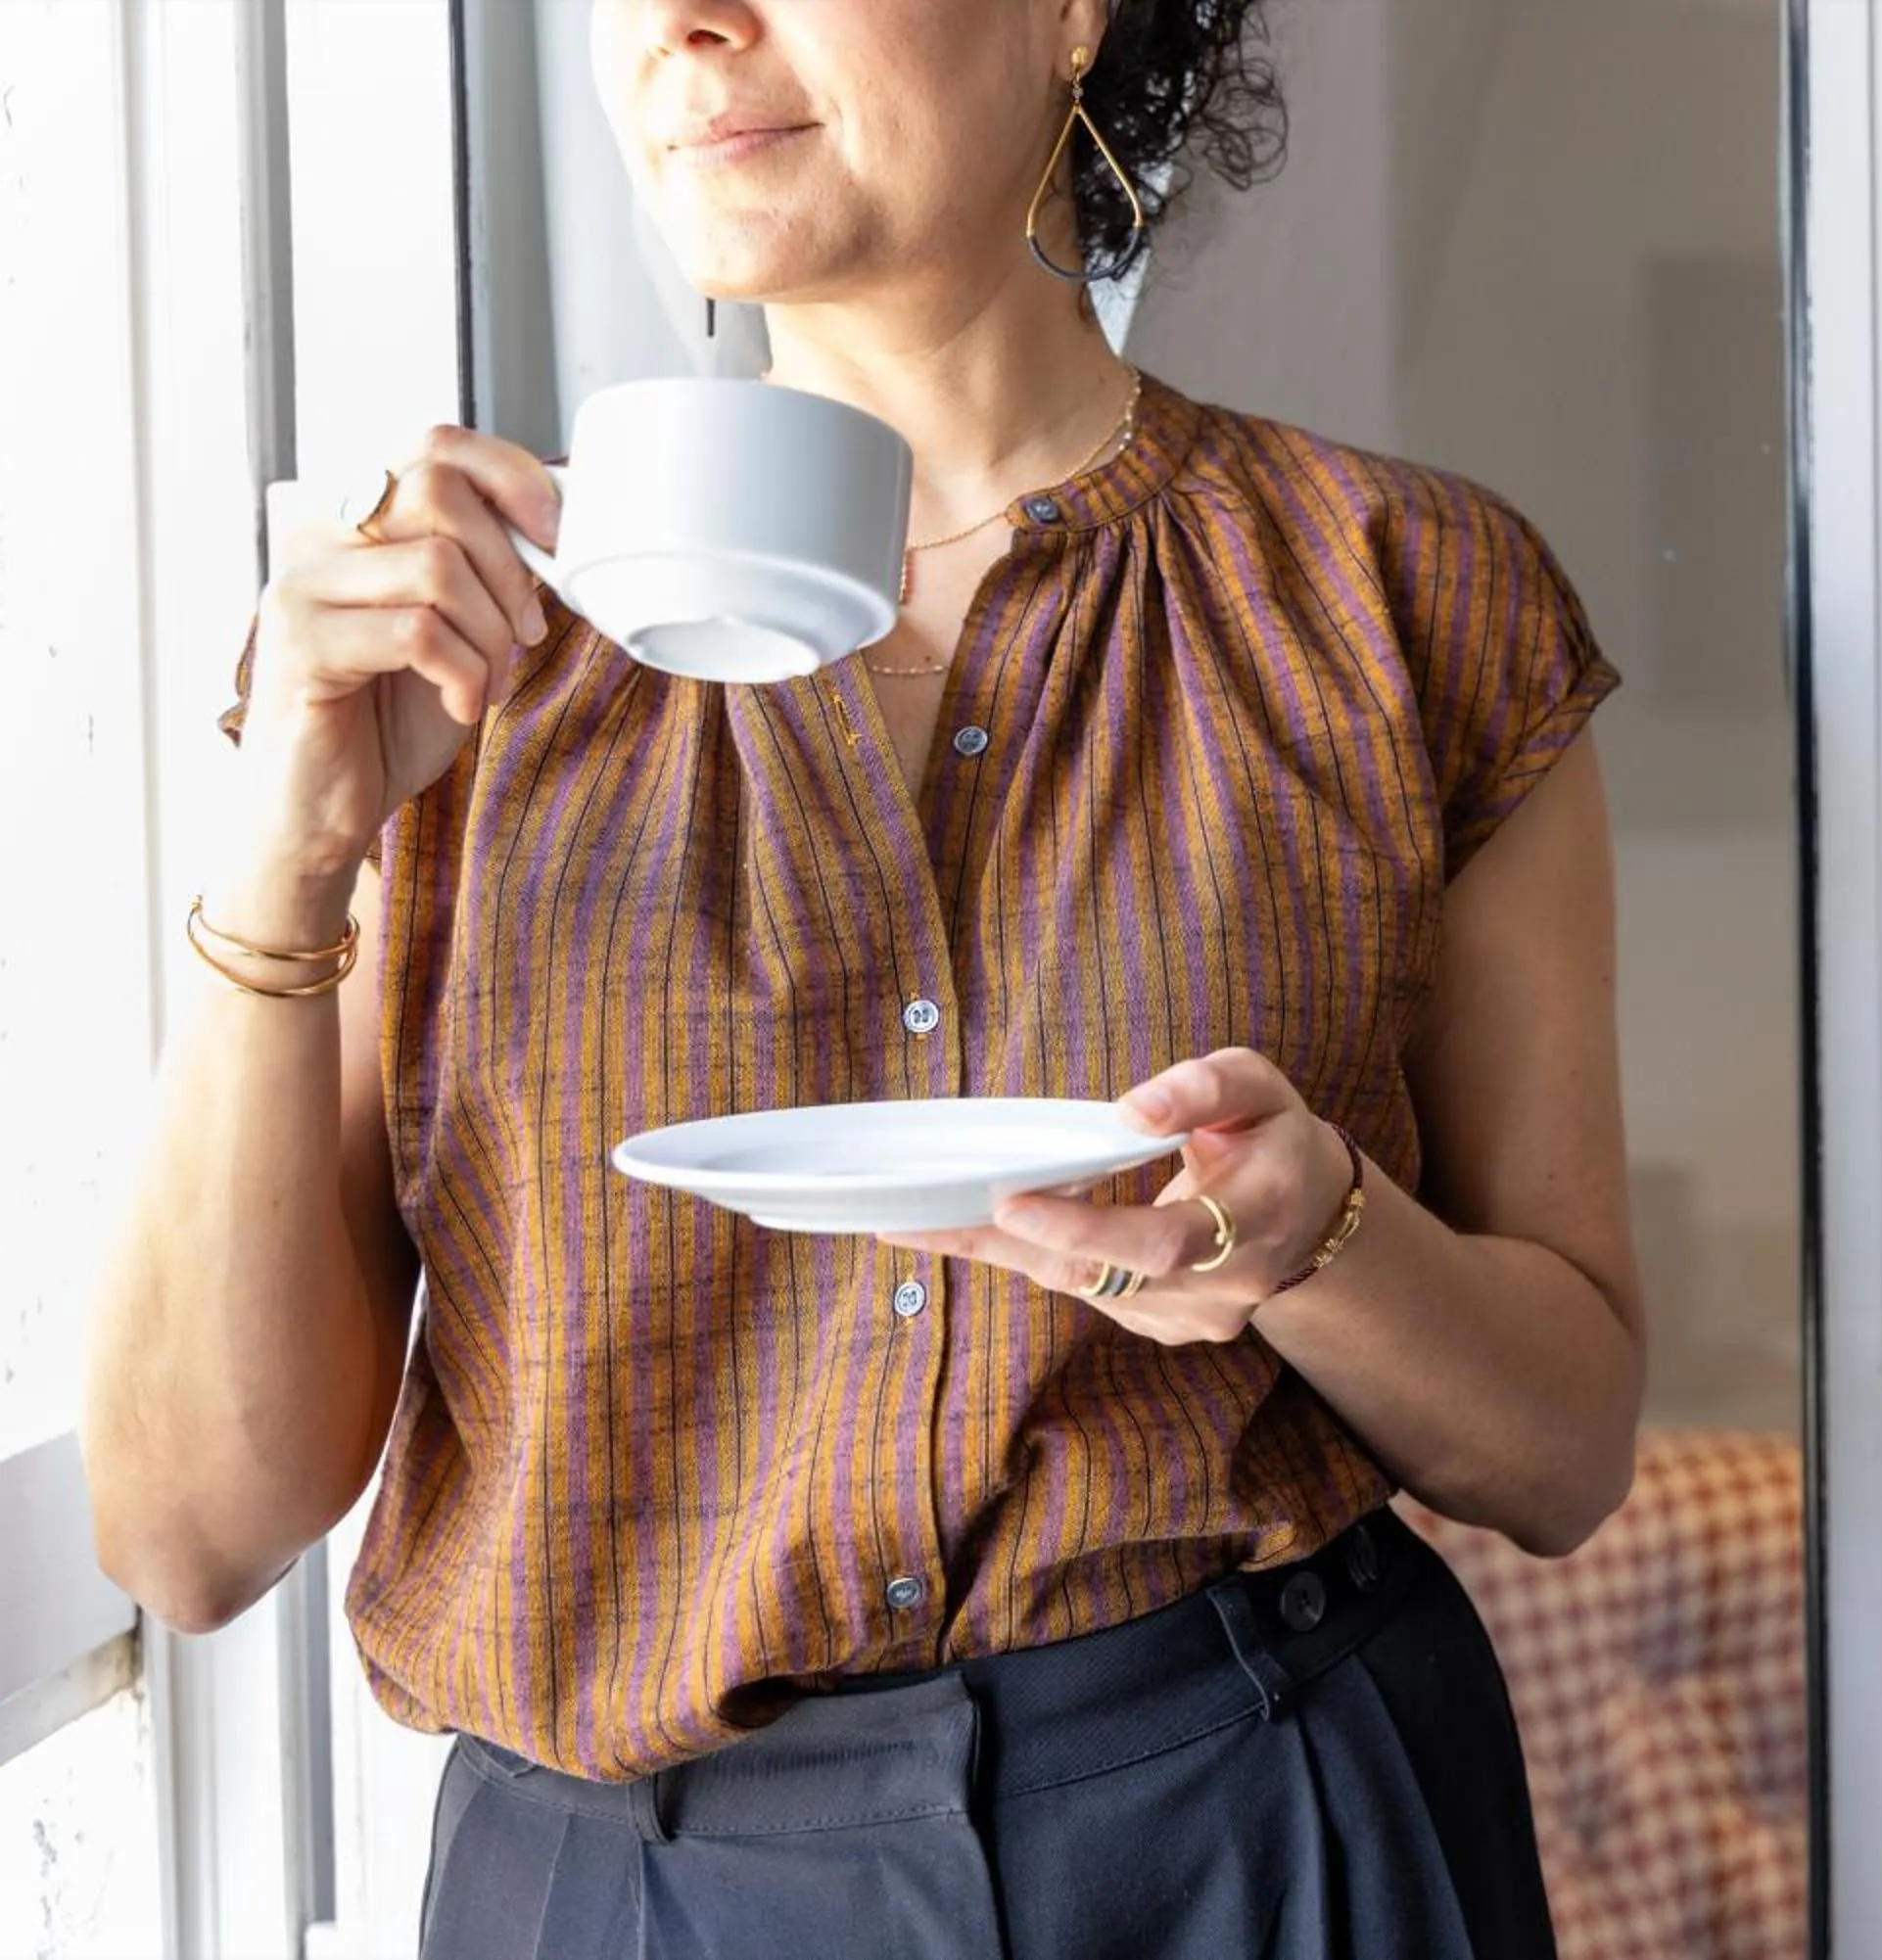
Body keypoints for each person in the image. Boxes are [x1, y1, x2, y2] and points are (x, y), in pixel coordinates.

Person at [81, 3, 1643, 1953]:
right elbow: (184, 1531)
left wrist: (1316, 1243)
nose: (683, 24)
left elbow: (1565, 1448)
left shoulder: (1410, 597)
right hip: (617, 1889)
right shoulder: (443, 657)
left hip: (1267, 1827)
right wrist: (293, 848)